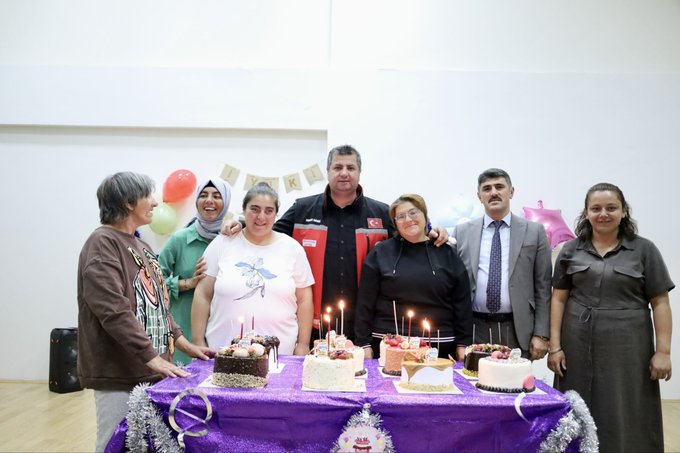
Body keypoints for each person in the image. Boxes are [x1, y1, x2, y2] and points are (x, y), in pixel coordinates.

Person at [223, 145, 449, 344]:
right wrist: (242, 223)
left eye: (351, 168)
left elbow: (410, 236)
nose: (344, 173)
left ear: (359, 172)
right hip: (313, 323)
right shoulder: (302, 209)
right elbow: (268, 230)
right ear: (328, 171)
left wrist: (431, 231)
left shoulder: (380, 213)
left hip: (365, 324)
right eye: (338, 167)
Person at [77, 172, 214, 452]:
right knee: (114, 443)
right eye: (148, 196)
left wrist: (185, 344)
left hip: (151, 370)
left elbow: (159, 306)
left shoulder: (142, 245)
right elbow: (113, 310)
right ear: (128, 202)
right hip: (119, 373)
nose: (154, 203)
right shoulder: (102, 243)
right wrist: (151, 356)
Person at [548, 182, 673, 453]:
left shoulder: (644, 250)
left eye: (611, 208)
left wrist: (663, 352)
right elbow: (558, 299)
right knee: (576, 404)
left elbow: (660, 302)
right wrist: (555, 347)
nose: (603, 214)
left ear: (624, 211)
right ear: (586, 213)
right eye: (596, 208)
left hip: (629, 349)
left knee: (626, 406)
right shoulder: (570, 250)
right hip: (576, 346)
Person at [192, 182, 314, 355]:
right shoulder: (222, 243)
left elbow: (304, 300)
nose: (261, 217)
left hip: (280, 354)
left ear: (276, 214)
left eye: (269, 211)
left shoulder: (292, 249)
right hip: (222, 351)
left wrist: (303, 344)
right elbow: (203, 294)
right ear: (243, 210)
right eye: (254, 209)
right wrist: (197, 340)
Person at [355, 194, 473, 360]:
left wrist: (463, 344)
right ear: (395, 223)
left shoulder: (447, 253)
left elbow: (462, 303)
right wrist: (364, 344)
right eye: (400, 216)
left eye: (413, 212)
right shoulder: (380, 253)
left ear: (425, 216)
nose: (408, 219)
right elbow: (365, 303)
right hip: (388, 346)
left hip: (439, 347)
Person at [452, 168, 551, 359]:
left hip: (517, 329)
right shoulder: (462, 232)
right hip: (474, 328)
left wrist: (541, 334)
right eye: (487, 188)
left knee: (515, 378)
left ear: (511, 192)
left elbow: (544, 287)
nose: (493, 192)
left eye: (499, 187)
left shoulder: (534, 232)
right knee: (473, 376)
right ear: (479, 196)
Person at [159, 178, 231, 365]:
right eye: (203, 195)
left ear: (226, 202)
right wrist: (186, 283)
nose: (209, 200)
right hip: (184, 330)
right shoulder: (179, 239)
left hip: (223, 327)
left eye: (217, 196)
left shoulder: (233, 241)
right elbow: (151, 282)